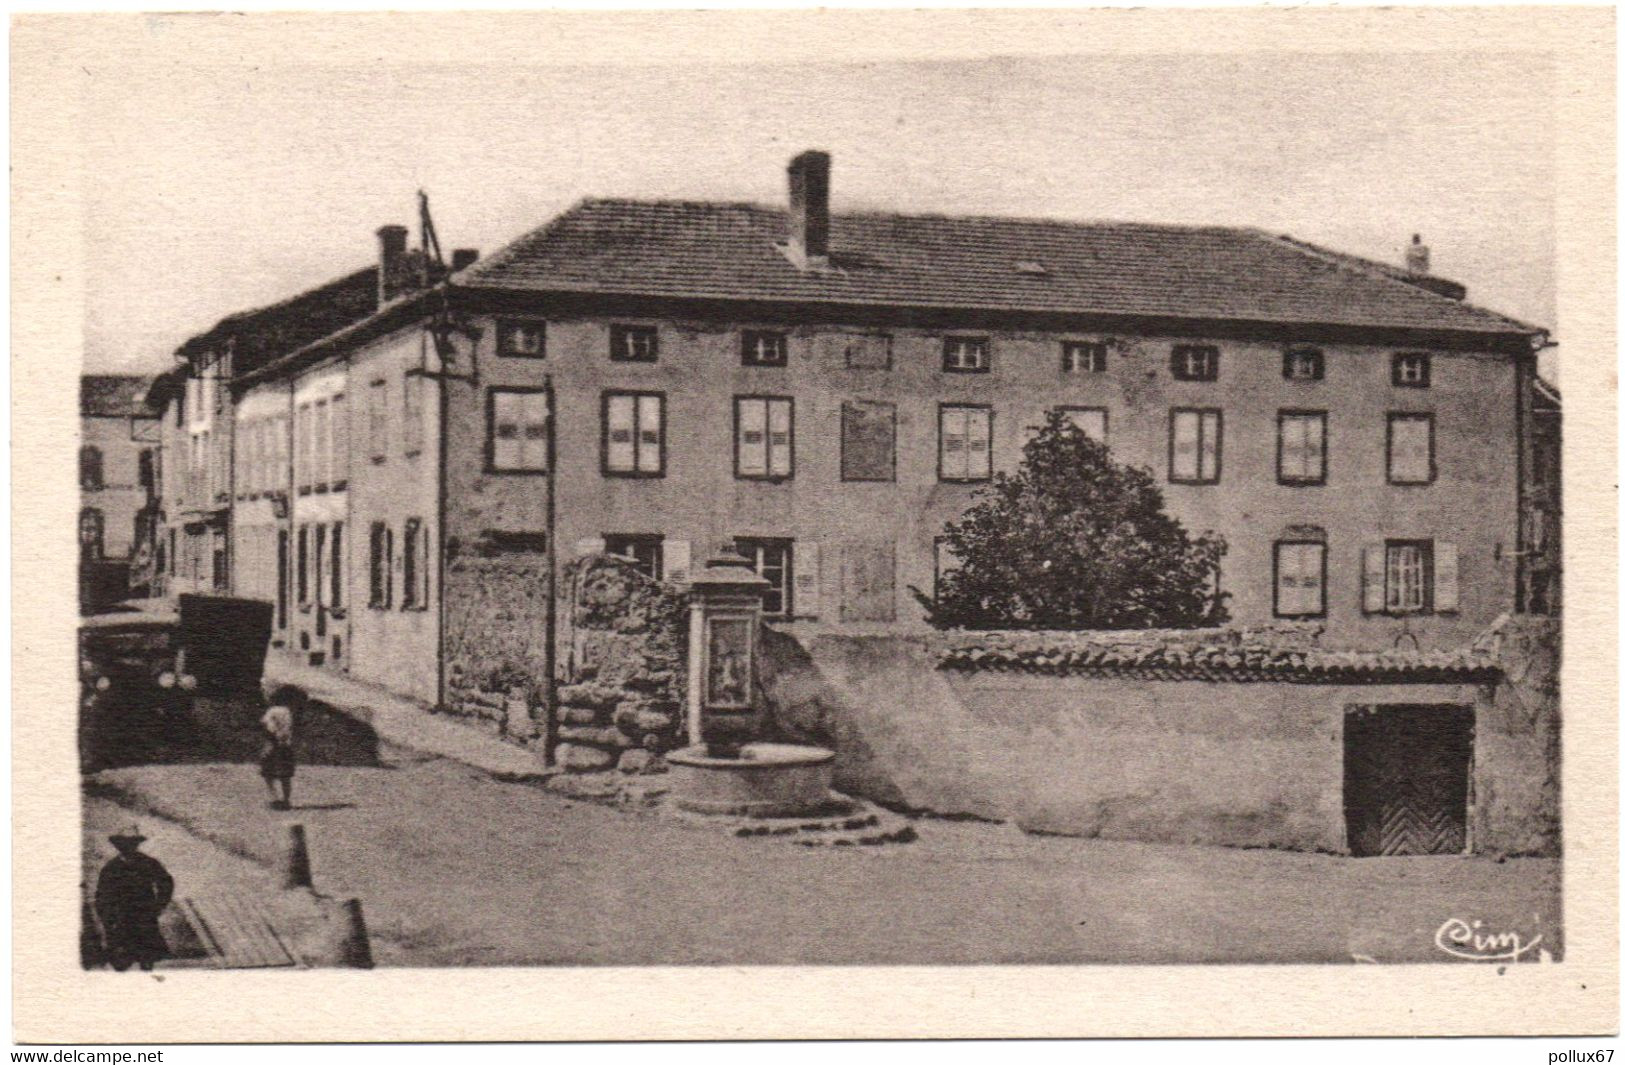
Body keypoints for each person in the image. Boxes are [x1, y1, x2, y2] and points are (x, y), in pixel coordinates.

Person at [94, 826, 174, 972]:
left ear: (136, 845)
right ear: (118, 846)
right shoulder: (111, 867)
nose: (127, 847)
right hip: (120, 919)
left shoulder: (149, 863)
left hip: (144, 916)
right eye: (123, 844)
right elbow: (101, 895)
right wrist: (107, 919)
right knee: (121, 962)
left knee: (146, 958)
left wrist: (158, 906)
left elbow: (166, 882)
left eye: (132, 843)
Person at [259, 684, 303, 811]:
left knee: (268, 774)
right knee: (286, 776)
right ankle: (286, 800)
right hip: (285, 747)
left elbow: (268, 726)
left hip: (273, 744)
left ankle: (274, 799)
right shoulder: (289, 712)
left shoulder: (272, 711)